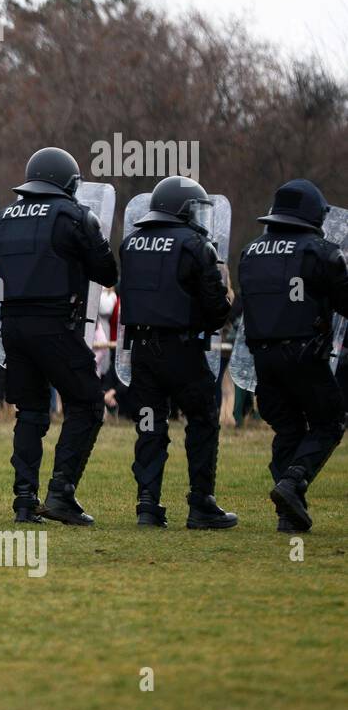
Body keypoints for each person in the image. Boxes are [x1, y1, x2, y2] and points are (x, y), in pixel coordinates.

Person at [0, 147, 118, 525]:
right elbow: (107, 273)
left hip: (12, 325)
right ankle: (61, 493)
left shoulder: (4, 218)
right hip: (55, 324)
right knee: (88, 404)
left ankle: (25, 501)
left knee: (29, 411)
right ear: (69, 183)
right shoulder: (72, 215)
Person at [119, 176, 235, 528]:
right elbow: (216, 309)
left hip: (141, 350)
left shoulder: (131, 243)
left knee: (150, 426)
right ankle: (201, 504)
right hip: (182, 351)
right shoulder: (196, 246)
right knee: (201, 421)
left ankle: (147, 504)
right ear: (182, 210)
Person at [238, 178, 348, 532]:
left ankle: (289, 515)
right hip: (305, 356)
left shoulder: (250, 252)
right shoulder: (321, 252)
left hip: (262, 360)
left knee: (288, 428)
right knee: (329, 422)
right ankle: (294, 482)